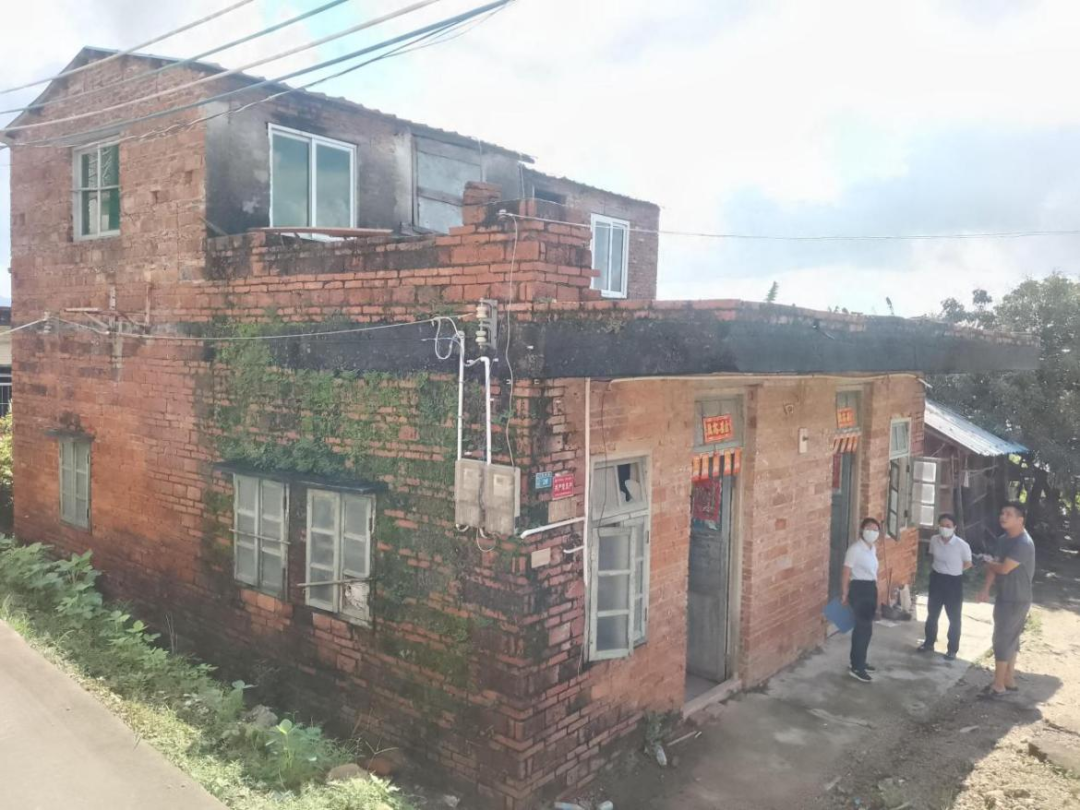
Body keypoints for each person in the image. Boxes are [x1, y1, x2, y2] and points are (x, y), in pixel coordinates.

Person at [976, 501, 1036, 699]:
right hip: (1005, 596)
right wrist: (985, 589)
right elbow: (995, 567)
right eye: (1002, 513)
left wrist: (987, 563)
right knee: (1011, 638)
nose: (1003, 516)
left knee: (1002, 639)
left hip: (1017, 599)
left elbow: (1002, 568)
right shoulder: (1003, 540)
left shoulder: (1023, 543)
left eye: (1009, 514)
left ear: (1020, 520)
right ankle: (1008, 679)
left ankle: (998, 685)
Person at [917, 513, 972, 660]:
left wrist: (954, 570)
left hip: (953, 582)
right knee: (932, 614)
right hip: (937, 579)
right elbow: (932, 556)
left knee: (954, 617)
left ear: (954, 527)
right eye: (942, 525)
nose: (944, 528)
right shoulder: (934, 540)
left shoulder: (962, 545)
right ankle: (929, 642)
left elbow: (968, 563)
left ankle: (952, 649)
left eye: (948, 526)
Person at [841, 517, 882, 683]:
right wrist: (845, 593)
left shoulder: (872, 548)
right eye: (869, 528)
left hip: (870, 587)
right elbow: (846, 572)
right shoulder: (855, 549)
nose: (872, 532)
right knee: (862, 628)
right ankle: (857, 667)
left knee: (866, 629)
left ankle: (859, 660)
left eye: (875, 530)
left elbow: (873, 571)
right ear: (862, 530)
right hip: (859, 588)